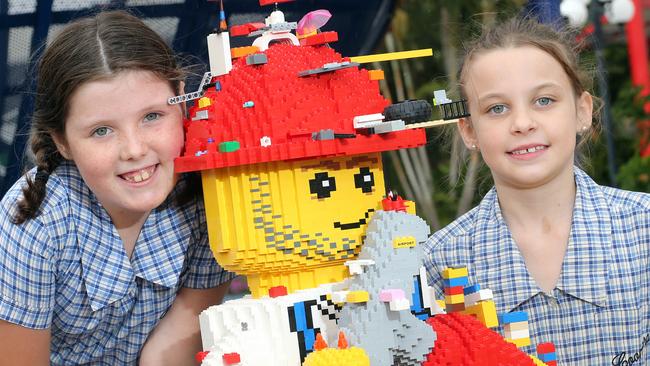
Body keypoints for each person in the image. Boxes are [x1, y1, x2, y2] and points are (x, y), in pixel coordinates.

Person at [0, 11, 233, 366]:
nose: (135, 149)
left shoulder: (211, 194)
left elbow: (166, 355)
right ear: (62, 141)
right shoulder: (33, 223)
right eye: (101, 131)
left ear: (182, 101)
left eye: (152, 116)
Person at [424, 17, 649, 364]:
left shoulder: (643, 231)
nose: (523, 123)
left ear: (582, 111)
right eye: (497, 108)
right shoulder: (436, 268)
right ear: (469, 130)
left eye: (544, 100)